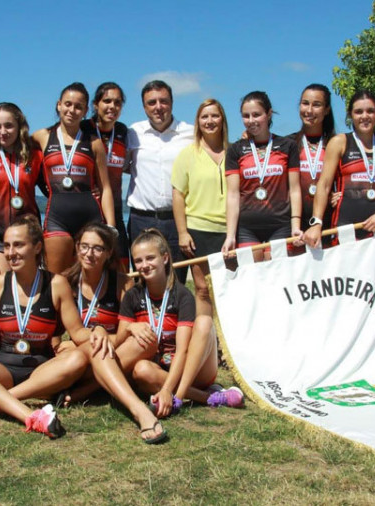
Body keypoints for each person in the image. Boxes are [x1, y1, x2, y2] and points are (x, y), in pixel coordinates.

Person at [0, 216, 94, 439]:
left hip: (42, 372)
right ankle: (30, 415)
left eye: (19, 245)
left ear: (37, 247)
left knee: (77, 358)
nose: (10, 252)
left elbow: (76, 332)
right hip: (3, 370)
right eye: (7, 246)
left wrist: (100, 332)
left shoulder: (56, 284)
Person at [57, 222, 168, 443]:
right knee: (87, 346)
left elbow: (132, 329)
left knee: (146, 340)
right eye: (84, 246)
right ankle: (139, 411)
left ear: (108, 253)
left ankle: (88, 390)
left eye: (98, 248)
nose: (90, 254)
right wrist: (100, 334)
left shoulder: (122, 282)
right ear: (77, 247)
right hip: (83, 356)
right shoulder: (65, 282)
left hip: (115, 353)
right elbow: (76, 336)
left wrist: (122, 331)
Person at [114, 229, 243, 418]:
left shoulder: (181, 294)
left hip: (190, 370)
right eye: (139, 260)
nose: (144, 265)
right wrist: (131, 326)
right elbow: (120, 340)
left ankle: (179, 397)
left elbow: (182, 350)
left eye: (150, 258)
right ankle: (209, 397)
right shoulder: (133, 295)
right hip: (156, 370)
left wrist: (168, 391)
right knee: (141, 370)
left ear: (165, 258)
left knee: (205, 322)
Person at [171, 98, 228, 378]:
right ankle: (207, 346)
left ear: (222, 120)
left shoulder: (236, 151)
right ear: (198, 122)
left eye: (214, 116)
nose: (209, 121)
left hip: (230, 231)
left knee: (228, 290)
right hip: (198, 229)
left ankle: (228, 348)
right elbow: (178, 196)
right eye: (204, 117)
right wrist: (182, 232)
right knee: (203, 290)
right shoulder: (187, 154)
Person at [32, 83, 115, 275]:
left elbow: (106, 188)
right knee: (56, 279)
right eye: (68, 104)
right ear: (59, 105)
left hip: (91, 217)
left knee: (89, 280)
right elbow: (12, 144)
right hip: (56, 218)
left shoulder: (94, 143)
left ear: (86, 110)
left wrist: (110, 227)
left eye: (78, 106)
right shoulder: (43, 136)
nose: (72, 110)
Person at [304, 90, 375, 247]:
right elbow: (325, 184)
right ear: (350, 115)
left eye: (370, 111)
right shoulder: (339, 142)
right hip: (344, 224)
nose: (364, 116)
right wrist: (316, 223)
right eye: (358, 112)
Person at [127, 80, 195, 283]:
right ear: (144, 106)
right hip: (141, 219)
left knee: (177, 278)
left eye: (163, 101)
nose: (158, 107)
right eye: (152, 102)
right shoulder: (132, 133)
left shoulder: (191, 133)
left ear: (172, 102)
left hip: (178, 220)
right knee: (143, 279)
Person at [222, 91, 302, 259]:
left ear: (269, 114)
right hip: (247, 228)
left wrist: (296, 226)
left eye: (256, 115)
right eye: (246, 116)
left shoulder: (288, 146)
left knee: (278, 278)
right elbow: (233, 194)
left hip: (280, 225)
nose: (251, 121)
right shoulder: (235, 150)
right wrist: (230, 236)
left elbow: (294, 190)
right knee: (253, 278)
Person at [0, 102, 42, 274]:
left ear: (19, 126)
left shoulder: (35, 156)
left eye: (9, 126)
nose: (3, 132)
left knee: (27, 290)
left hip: (27, 233)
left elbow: (52, 189)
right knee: (2, 288)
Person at [82, 82, 131, 267]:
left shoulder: (122, 131)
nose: (112, 107)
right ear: (96, 104)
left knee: (121, 267)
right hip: (89, 211)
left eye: (117, 103)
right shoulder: (83, 128)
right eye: (107, 101)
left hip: (115, 210)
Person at [288, 84, 336, 249]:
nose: (309, 110)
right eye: (305, 103)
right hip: (294, 226)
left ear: (327, 109)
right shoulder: (287, 143)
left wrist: (341, 195)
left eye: (316, 105)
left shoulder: (336, 143)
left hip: (327, 224)